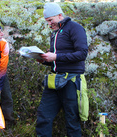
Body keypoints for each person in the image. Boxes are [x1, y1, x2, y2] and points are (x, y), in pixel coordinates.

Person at [35, 2, 88, 137]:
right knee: (43, 117)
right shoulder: (55, 33)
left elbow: (82, 54)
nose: (49, 24)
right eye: (47, 21)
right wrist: (45, 60)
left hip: (71, 81)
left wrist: (56, 56)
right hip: (54, 80)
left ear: (60, 15)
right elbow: (57, 60)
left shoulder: (75, 28)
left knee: (72, 120)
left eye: (50, 20)